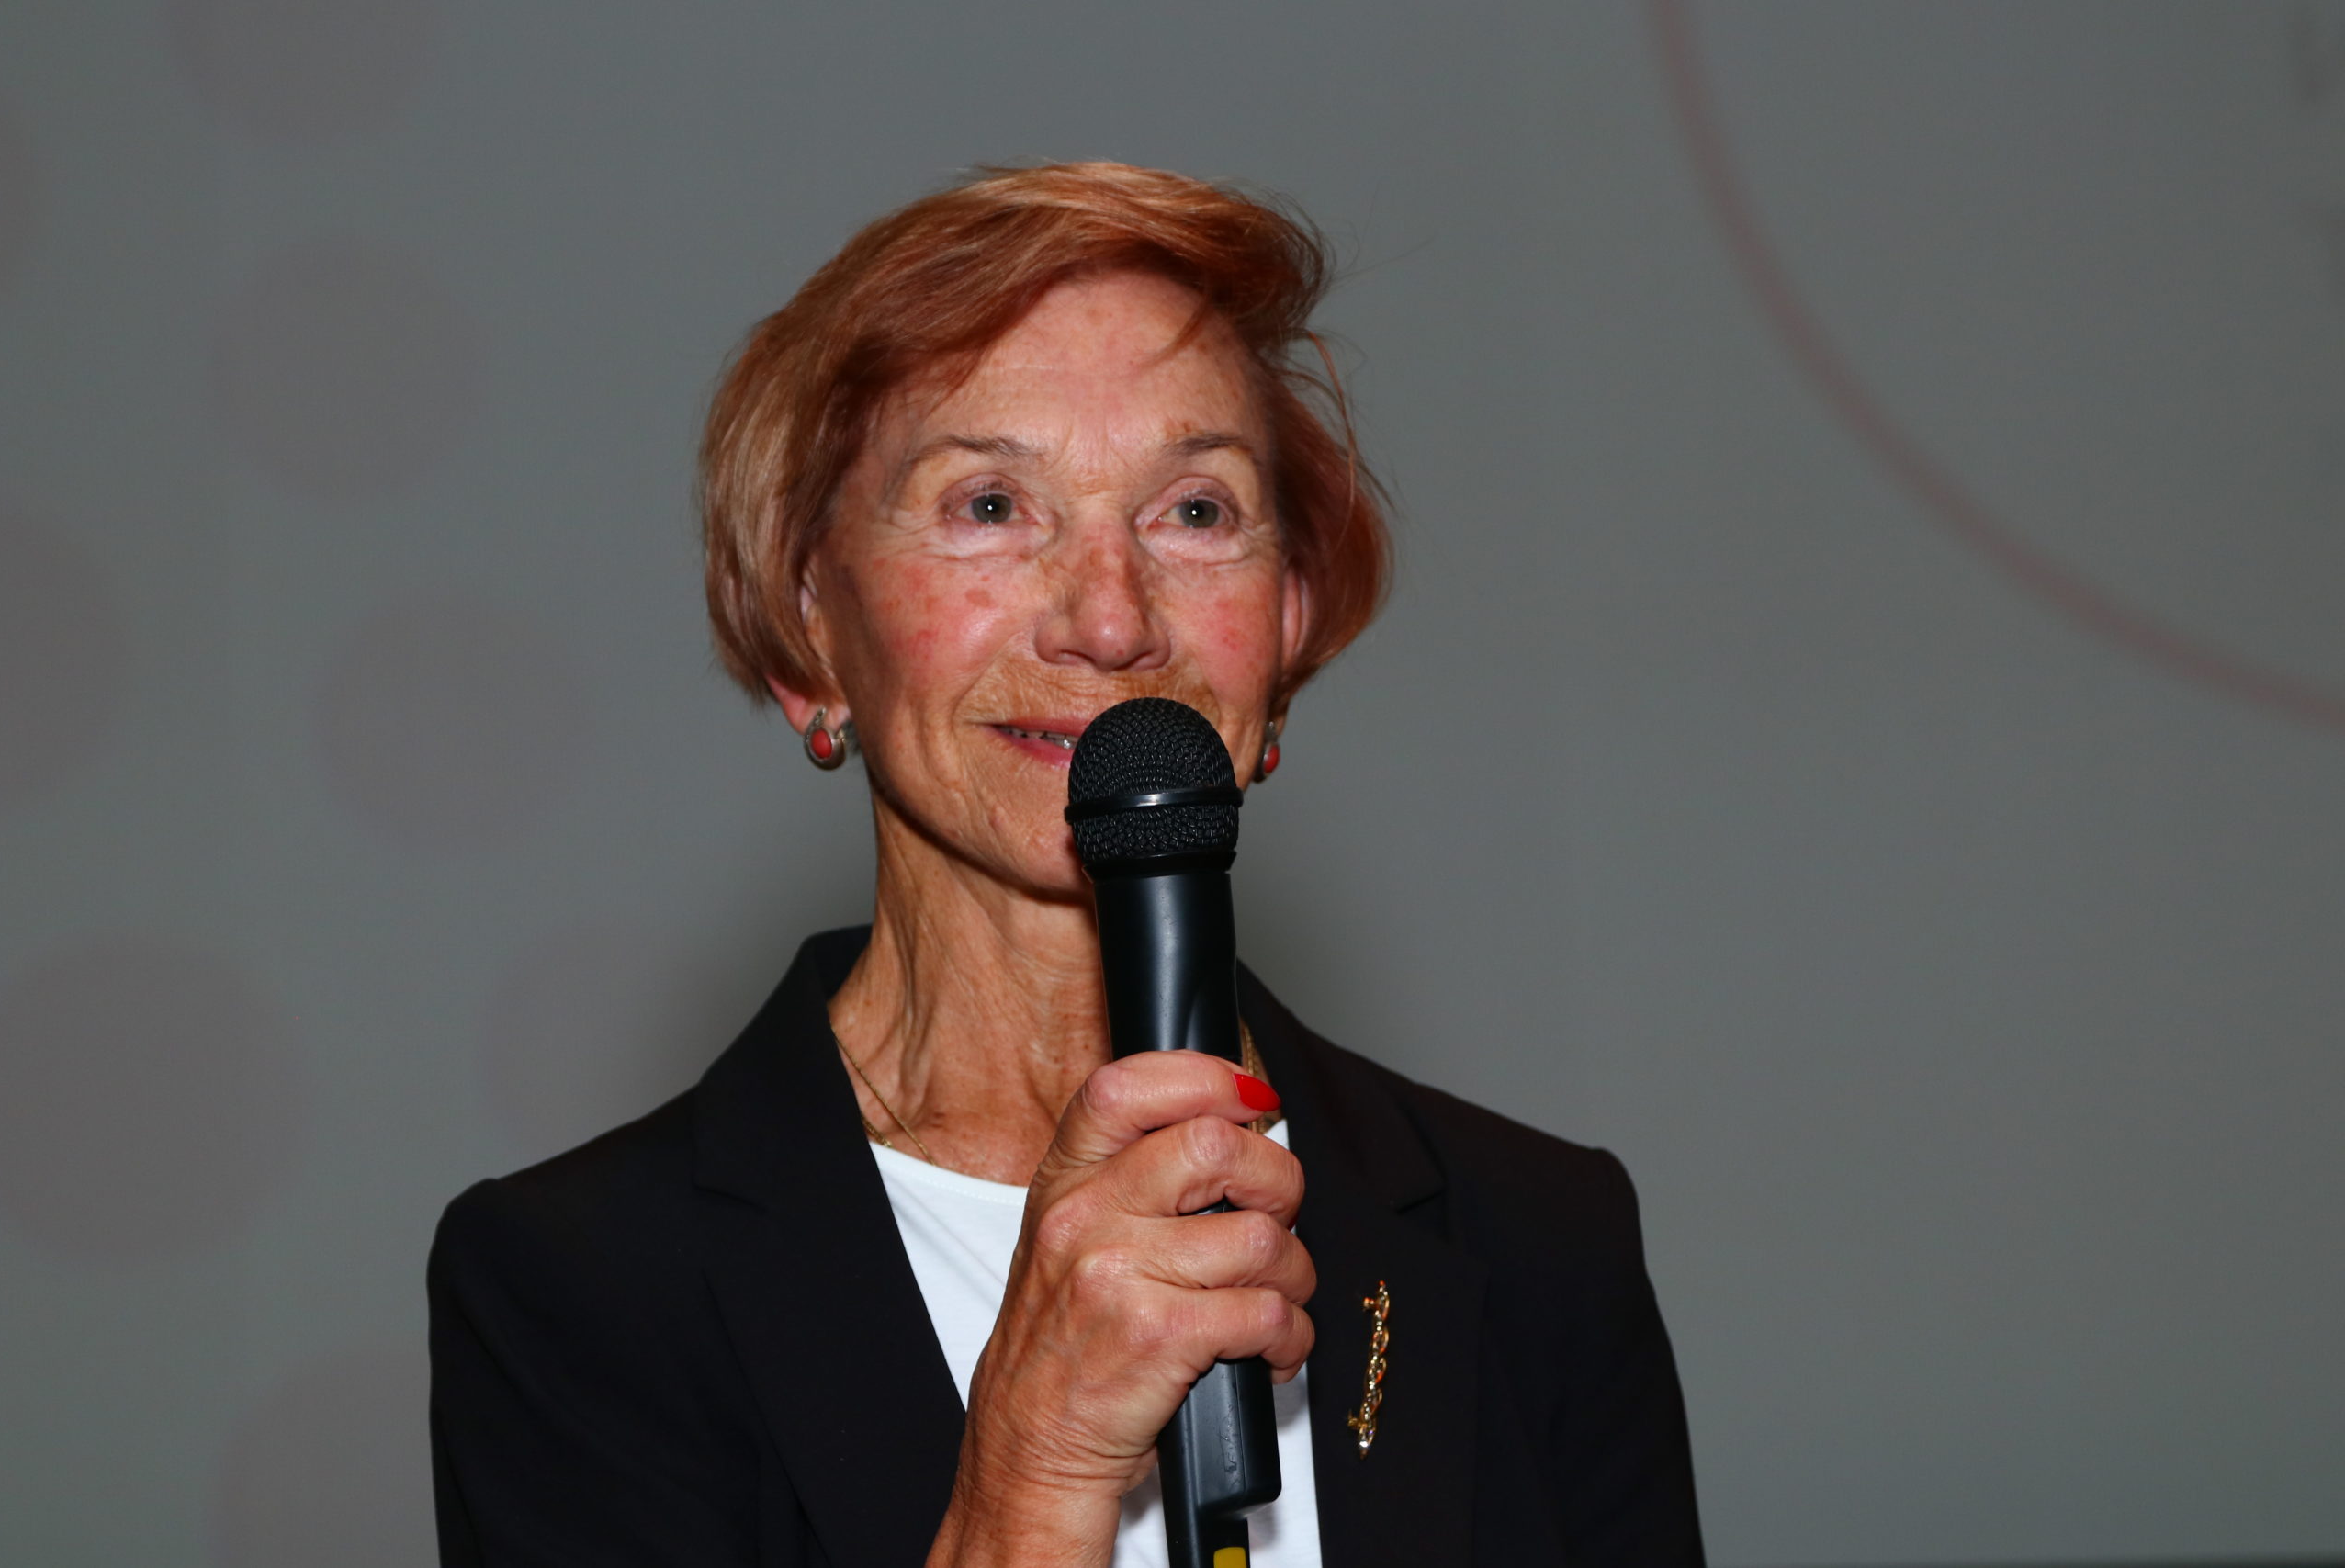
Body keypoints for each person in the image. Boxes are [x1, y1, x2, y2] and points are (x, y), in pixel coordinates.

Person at [428, 162, 1703, 1568]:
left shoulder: (1537, 1241)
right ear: (809, 631)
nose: (1108, 620)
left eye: (1195, 511)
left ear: (1287, 626)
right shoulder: (581, 1287)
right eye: (989, 505)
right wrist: (1036, 1471)